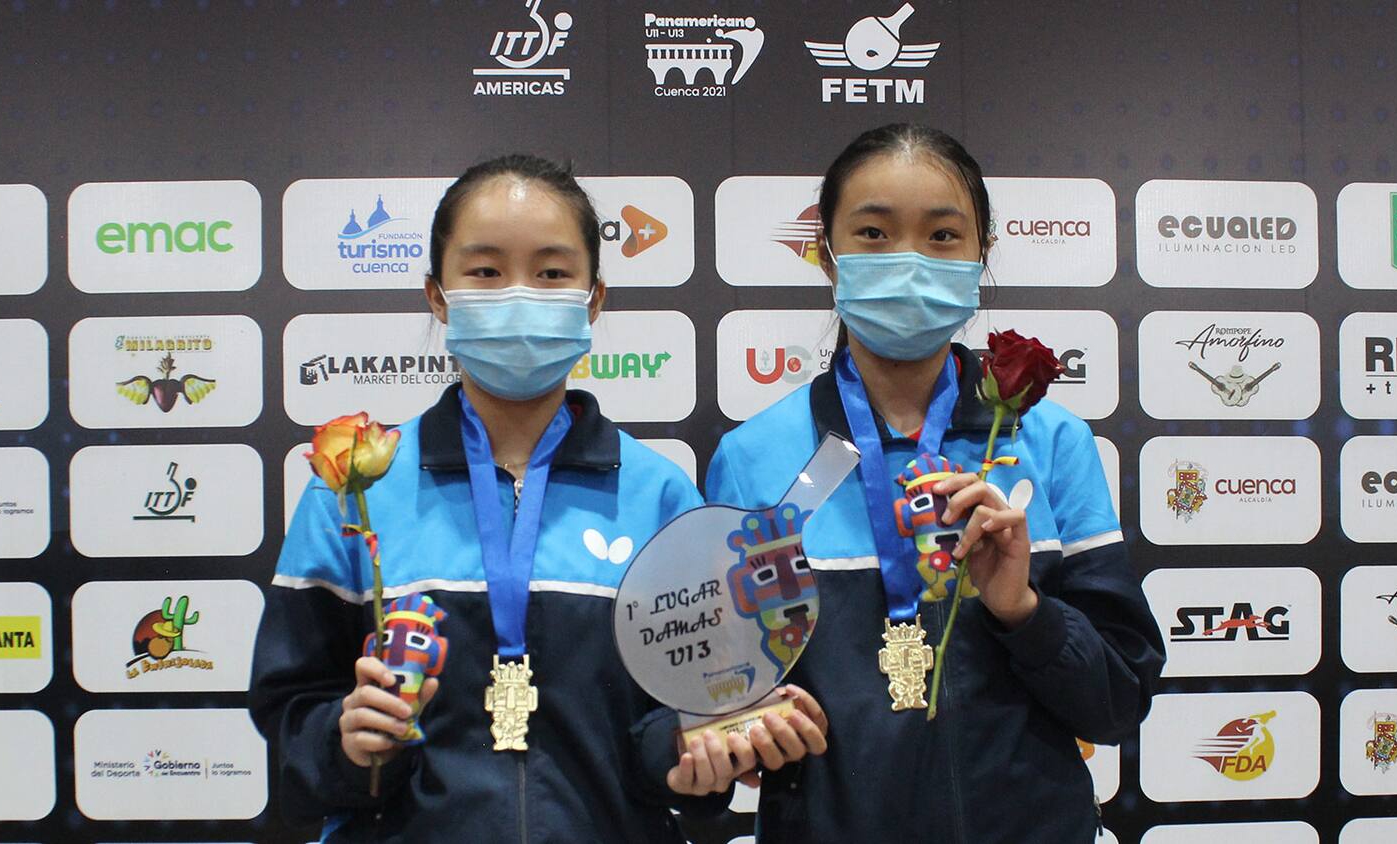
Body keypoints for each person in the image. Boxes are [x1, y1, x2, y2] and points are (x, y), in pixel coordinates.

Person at [250, 154, 827, 843]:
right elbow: (289, 711)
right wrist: (344, 743)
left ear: (595, 298)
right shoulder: (354, 488)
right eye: (486, 272)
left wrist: (690, 757)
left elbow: (672, 720)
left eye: (552, 272)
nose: (519, 294)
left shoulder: (659, 494)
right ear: (438, 296)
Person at [705, 124, 1165, 842]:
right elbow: (722, 701)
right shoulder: (753, 458)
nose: (909, 260)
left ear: (982, 254)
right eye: (874, 233)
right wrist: (743, 719)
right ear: (828, 257)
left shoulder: (1051, 443)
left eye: (943, 236)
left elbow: (1117, 703)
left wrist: (1024, 611)